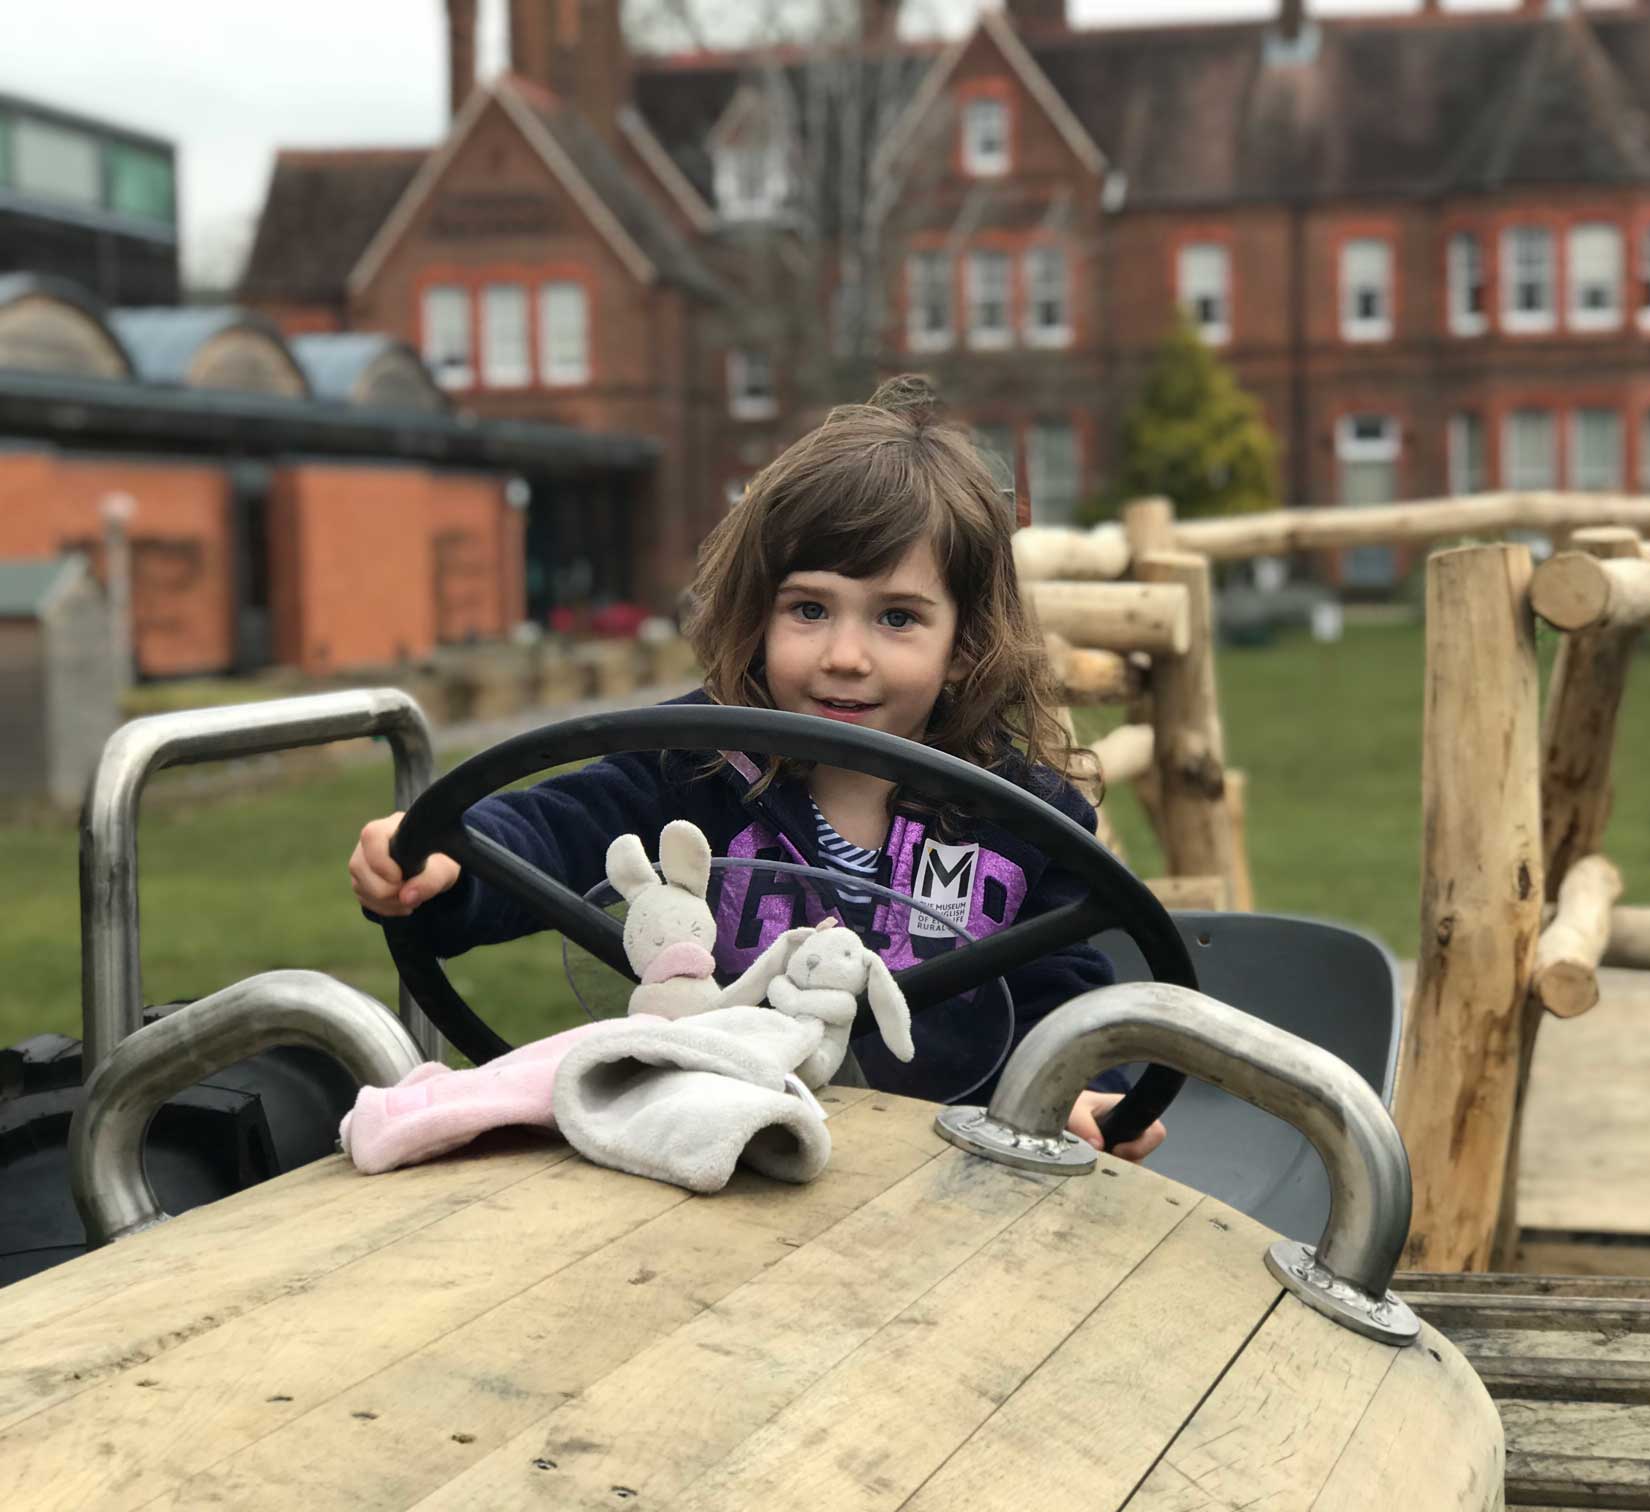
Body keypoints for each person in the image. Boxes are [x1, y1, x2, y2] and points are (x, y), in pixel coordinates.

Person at [349, 376, 1167, 1161]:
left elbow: (1067, 996)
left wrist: (1089, 1090)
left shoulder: (1024, 825)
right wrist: (450, 863)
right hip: (714, 1149)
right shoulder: (692, 766)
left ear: (965, 648)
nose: (845, 657)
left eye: (897, 618)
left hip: (934, 1184)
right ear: (757, 614)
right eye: (809, 609)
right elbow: (554, 831)